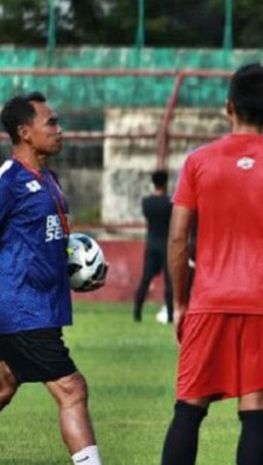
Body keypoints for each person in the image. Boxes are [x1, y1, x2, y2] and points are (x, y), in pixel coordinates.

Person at [161, 63, 263, 465]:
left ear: (227, 106)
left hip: (209, 298)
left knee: (189, 407)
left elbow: (178, 238)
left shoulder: (198, 162)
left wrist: (181, 301)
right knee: (255, 411)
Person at [0, 92, 104, 464]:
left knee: (5, 384)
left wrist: (80, 268)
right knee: (72, 389)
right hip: (21, 309)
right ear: (25, 133)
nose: (60, 131)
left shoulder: (50, 180)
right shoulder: (9, 182)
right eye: (52, 123)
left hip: (39, 306)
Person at [133, 169, 174, 323]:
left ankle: (137, 312)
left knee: (145, 279)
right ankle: (170, 314)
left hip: (151, 244)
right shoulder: (169, 203)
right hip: (166, 245)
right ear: (165, 183)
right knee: (169, 282)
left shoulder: (147, 203)